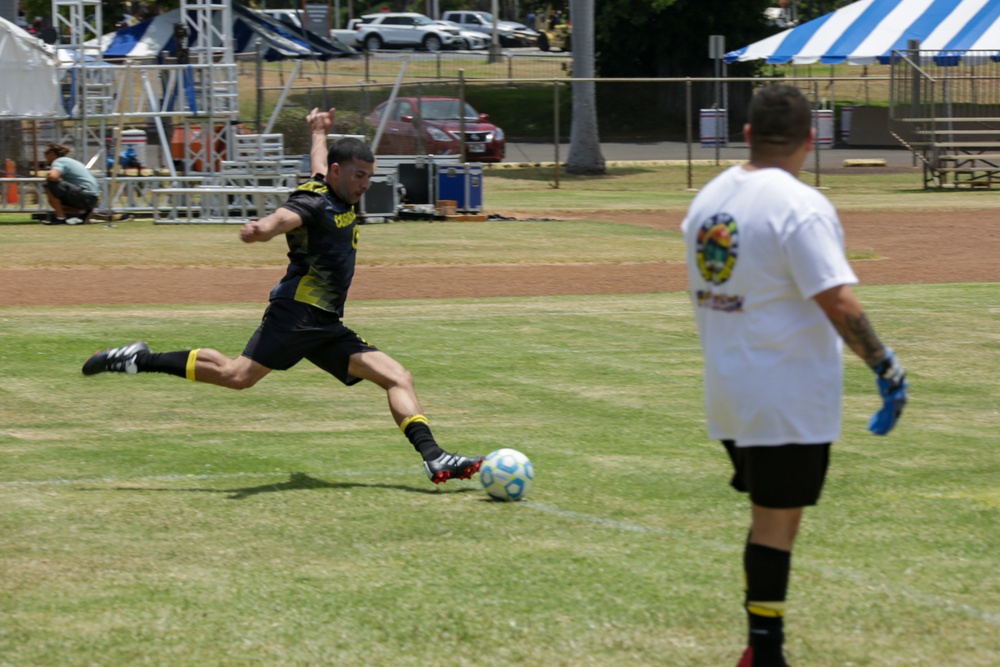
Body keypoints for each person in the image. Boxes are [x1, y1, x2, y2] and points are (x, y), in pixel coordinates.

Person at [81, 108, 484, 485]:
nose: (365, 184)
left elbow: (318, 162)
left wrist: (318, 132)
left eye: (369, 176)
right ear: (340, 173)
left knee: (397, 376)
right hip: (296, 316)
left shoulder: (330, 184)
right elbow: (285, 218)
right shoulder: (312, 202)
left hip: (324, 324)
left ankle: (435, 457)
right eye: (360, 176)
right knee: (236, 376)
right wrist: (262, 230)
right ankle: (138, 358)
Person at [680, 84, 908, 667]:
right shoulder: (799, 205)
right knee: (777, 526)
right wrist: (886, 366)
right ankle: (765, 654)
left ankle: (762, 649)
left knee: (770, 521)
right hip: (785, 395)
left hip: (729, 396)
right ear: (812, 139)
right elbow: (839, 303)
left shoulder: (709, 200)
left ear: (748, 134)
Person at [42, 143, 100, 225]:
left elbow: (53, 177)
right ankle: (85, 212)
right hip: (92, 199)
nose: (45, 157)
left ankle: (60, 218)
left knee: (50, 184)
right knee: (56, 202)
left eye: (45, 154)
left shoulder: (59, 161)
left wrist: (48, 176)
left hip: (85, 196)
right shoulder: (69, 161)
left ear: (52, 153)